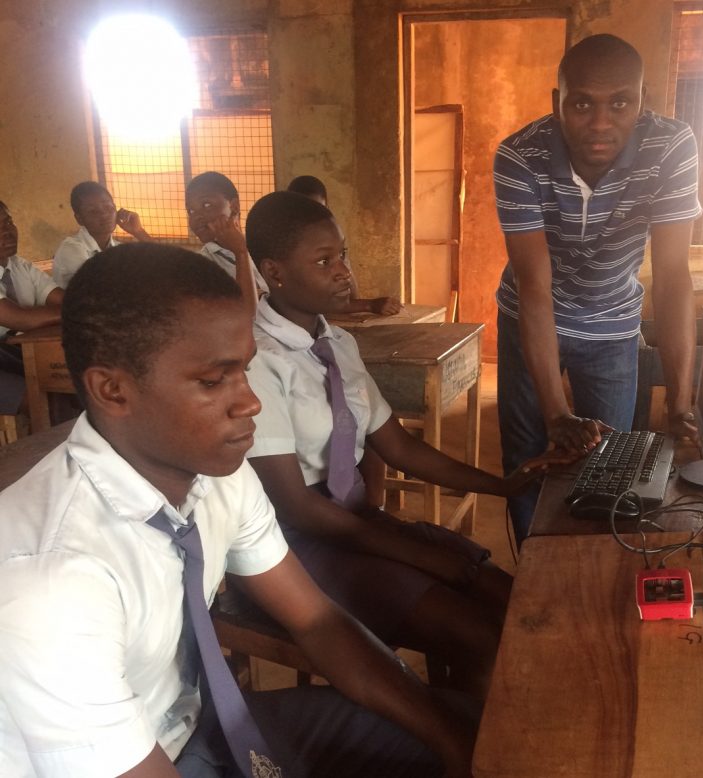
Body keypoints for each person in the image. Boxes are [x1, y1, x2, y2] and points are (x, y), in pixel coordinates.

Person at [0, 242, 478, 778]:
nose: (250, 401)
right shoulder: (50, 580)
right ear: (112, 390)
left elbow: (316, 620)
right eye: (213, 380)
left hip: (201, 724)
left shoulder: (215, 475)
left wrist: (451, 741)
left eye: (245, 371)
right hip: (128, 761)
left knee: (476, 732)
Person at [244, 191, 572, 699]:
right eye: (324, 261)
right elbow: (298, 507)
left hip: (354, 525)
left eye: (344, 255)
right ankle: (460, 745)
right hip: (291, 545)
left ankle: (463, 714)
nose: (344, 273)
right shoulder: (256, 361)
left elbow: (398, 446)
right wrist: (413, 552)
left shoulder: (339, 344)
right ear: (275, 272)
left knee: (514, 602)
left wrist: (503, 485)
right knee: (482, 637)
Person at [493, 34, 702, 545]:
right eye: (582, 103)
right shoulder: (519, 157)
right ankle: (530, 579)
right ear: (556, 102)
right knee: (530, 457)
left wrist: (681, 403)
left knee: (612, 466)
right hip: (531, 316)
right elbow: (535, 286)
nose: (602, 123)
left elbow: (673, 276)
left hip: (613, 324)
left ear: (642, 101)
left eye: (621, 103)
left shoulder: (672, 147)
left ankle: (594, 567)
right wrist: (556, 413)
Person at [287, 175, 403, 317]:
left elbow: (350, 295)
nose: (311, 220)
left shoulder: (329, 242)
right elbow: (302, 301)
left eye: (319, 211)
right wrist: (369, 305)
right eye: (303, 212)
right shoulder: (280, 248)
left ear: (327, 209)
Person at [0, 200, 63, 415]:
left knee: (63, 382)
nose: (7, 232)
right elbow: (20, 319)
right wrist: (74, 312)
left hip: (12, 352)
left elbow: (61, 300)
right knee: (37, 397)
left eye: (8, 222)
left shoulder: (20, 266)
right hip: (6, 354)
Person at [185, 171, 269, 317]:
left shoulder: (260, 247)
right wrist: (240, 253)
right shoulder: (202, 264)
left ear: (234, 206)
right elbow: (247, 315)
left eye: (206, 205)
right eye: (190, 210)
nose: (196, 216)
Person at [52, 180, 152, 288]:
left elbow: (164, 264)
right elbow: (104, 288)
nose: (104, 215)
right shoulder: (71, 249)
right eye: (93, 211)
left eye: (109, 208)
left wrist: (138, 231)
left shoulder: (118, 248)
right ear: (79, 219)